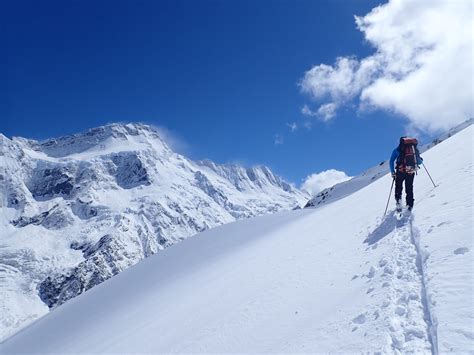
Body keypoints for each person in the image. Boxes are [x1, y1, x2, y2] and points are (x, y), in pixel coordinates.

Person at [389, 137, 423, 211]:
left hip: (400, 171)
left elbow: (391, 161)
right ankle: (409, 205)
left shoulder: (397, 150)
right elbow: (419, 162)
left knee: (398, 187)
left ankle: (399, 203)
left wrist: (392, 172)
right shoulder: (413, 149)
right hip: (410, 171)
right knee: (409, 188)